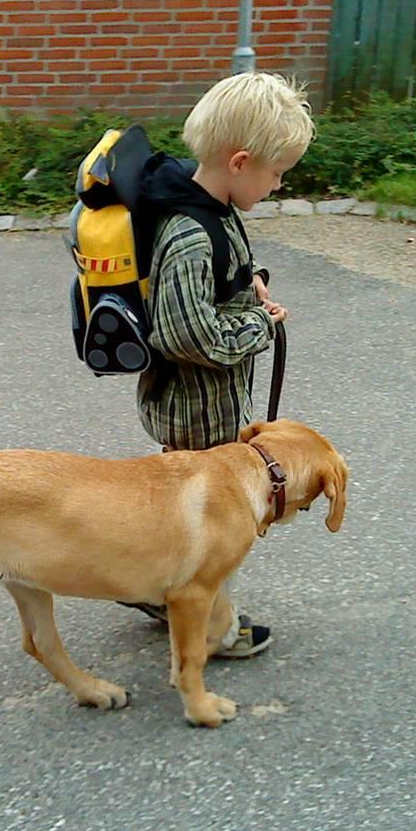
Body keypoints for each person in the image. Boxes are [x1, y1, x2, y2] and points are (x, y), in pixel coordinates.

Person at [128, 71, 315, 658]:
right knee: (214, 524)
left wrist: (250, 285)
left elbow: (220, 277)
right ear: (240, 162)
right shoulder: (189, 231)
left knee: (181, 515)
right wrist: (260, 325)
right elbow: (185, 333)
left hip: (209, 401)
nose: (280, 183)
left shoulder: (213, 204)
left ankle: (160, 590)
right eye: (278, 171)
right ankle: (214, 625)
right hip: (195, 407)